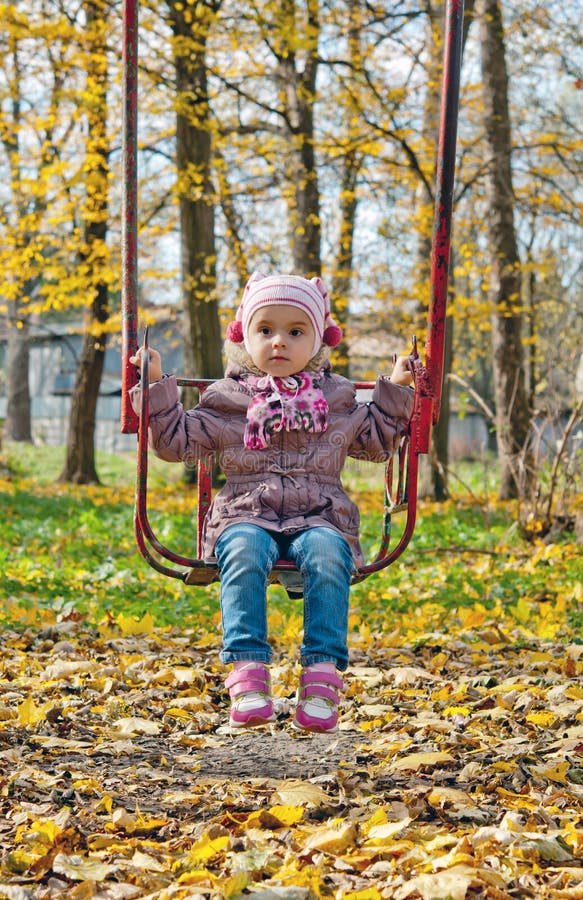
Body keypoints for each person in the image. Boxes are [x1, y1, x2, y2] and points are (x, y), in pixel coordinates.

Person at [130, 272, 414, 733]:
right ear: (245, 336)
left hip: (321, 513)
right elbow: (175, 441)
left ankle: (321, 679)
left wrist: (398, 390)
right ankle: (248, 675)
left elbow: (375, 442)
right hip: (246, 510)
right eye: (266, 330)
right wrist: (157, 383)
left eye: (295, 331)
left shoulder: (337, 397)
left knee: (327, 553)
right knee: (241, 550)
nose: (279, 341)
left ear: (318, 340)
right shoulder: (227, 399)